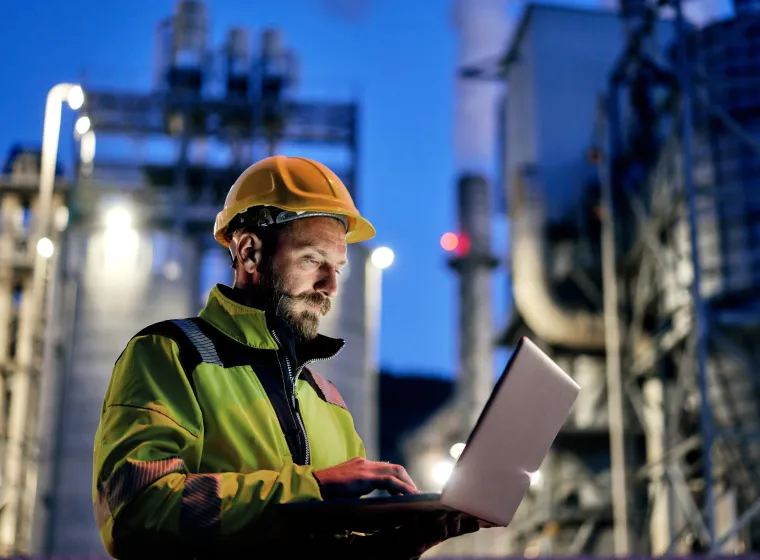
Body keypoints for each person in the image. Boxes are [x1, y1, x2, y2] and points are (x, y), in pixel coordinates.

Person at [92, 155, 484, 559]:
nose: (330, 285)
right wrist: (312, 486)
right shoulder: (172, 356)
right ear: (249, 252)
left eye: (338, 267)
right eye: (312, 259)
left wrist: (401, 544)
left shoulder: (326, 399)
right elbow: (136, 510)